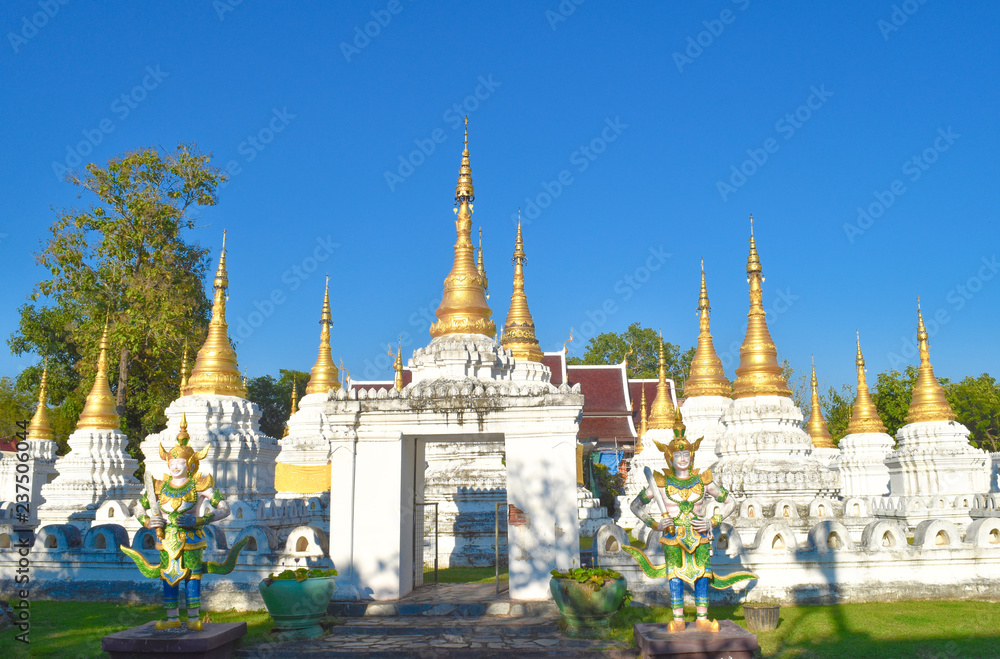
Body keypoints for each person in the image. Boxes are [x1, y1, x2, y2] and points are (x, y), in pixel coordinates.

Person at [624, 411, 756, 632]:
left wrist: (712, 521)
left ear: (692, 456)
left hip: (700, 535)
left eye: (686, 454)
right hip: (672, 536)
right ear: (670, 458)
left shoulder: (703, 482)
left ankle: (702, 618)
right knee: (674, 575)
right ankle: (677, 619)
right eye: (678, 455)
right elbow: (636, 506)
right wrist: (655, 525)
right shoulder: (662, 484)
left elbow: (730, 502)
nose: (683, 458)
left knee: (702, 575)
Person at [122, 414, 245, 631]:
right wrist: (148, 521)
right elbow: (138, 507)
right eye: (172, 462)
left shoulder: (200, 485)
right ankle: (172, 618)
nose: (176, 466)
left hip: (192, 538)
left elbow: (224, 509)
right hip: (166, 538)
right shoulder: (160, 486)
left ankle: (194, 617)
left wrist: (198, 520)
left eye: (180, 462)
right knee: (168, 576)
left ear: (190, 463)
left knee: (193, 576)